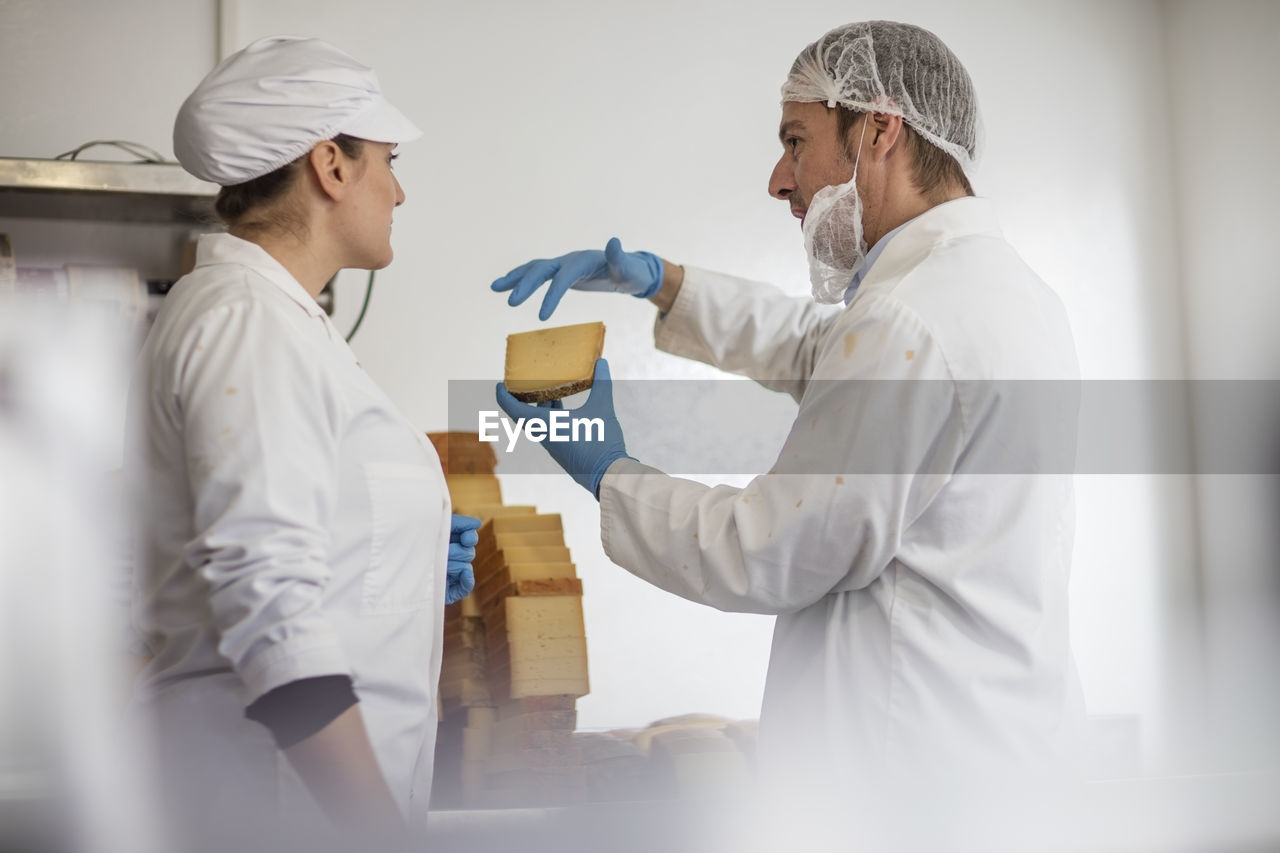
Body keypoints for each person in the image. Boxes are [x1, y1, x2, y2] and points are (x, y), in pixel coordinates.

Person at [492, 20, 1084, 801]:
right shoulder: (1000, 293)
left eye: (796, 141)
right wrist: (662, 282)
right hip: (992, 754)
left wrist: (612, 473)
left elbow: (768, 547)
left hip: (910, 781)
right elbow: (824, 350)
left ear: (879, 129)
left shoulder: (909, 320)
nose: (779, 178)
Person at [126, 36, 478, 849]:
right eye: (387, 161)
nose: (399, 191)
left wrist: (402, 564)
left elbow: (283, 554)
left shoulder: (275, 321)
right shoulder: (246, 322)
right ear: (332, 165)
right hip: (277, 811)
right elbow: (271, 611)